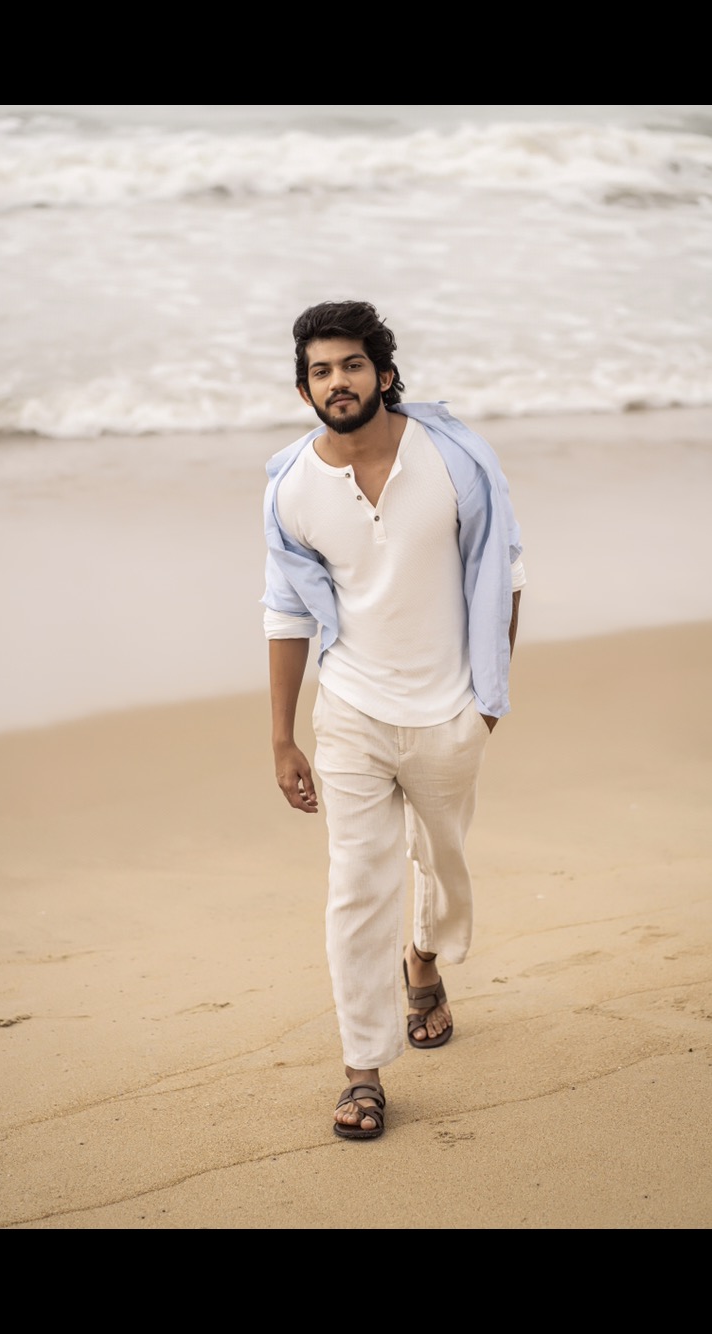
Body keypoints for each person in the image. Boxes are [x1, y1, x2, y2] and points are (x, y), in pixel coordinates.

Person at [261, 300, 525, 1140]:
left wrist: (486, 700)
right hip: (352, 712)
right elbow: (285, 613)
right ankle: (363, 1071)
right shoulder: (292, 487)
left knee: (441, 862)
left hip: (450, 709)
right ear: (304, 389)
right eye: (320, 371)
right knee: (356, 886)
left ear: (382, 371)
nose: (337, 382)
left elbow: (505, 573)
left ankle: (424, 960)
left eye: (351, 364)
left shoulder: (453, 460)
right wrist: (283, 736)